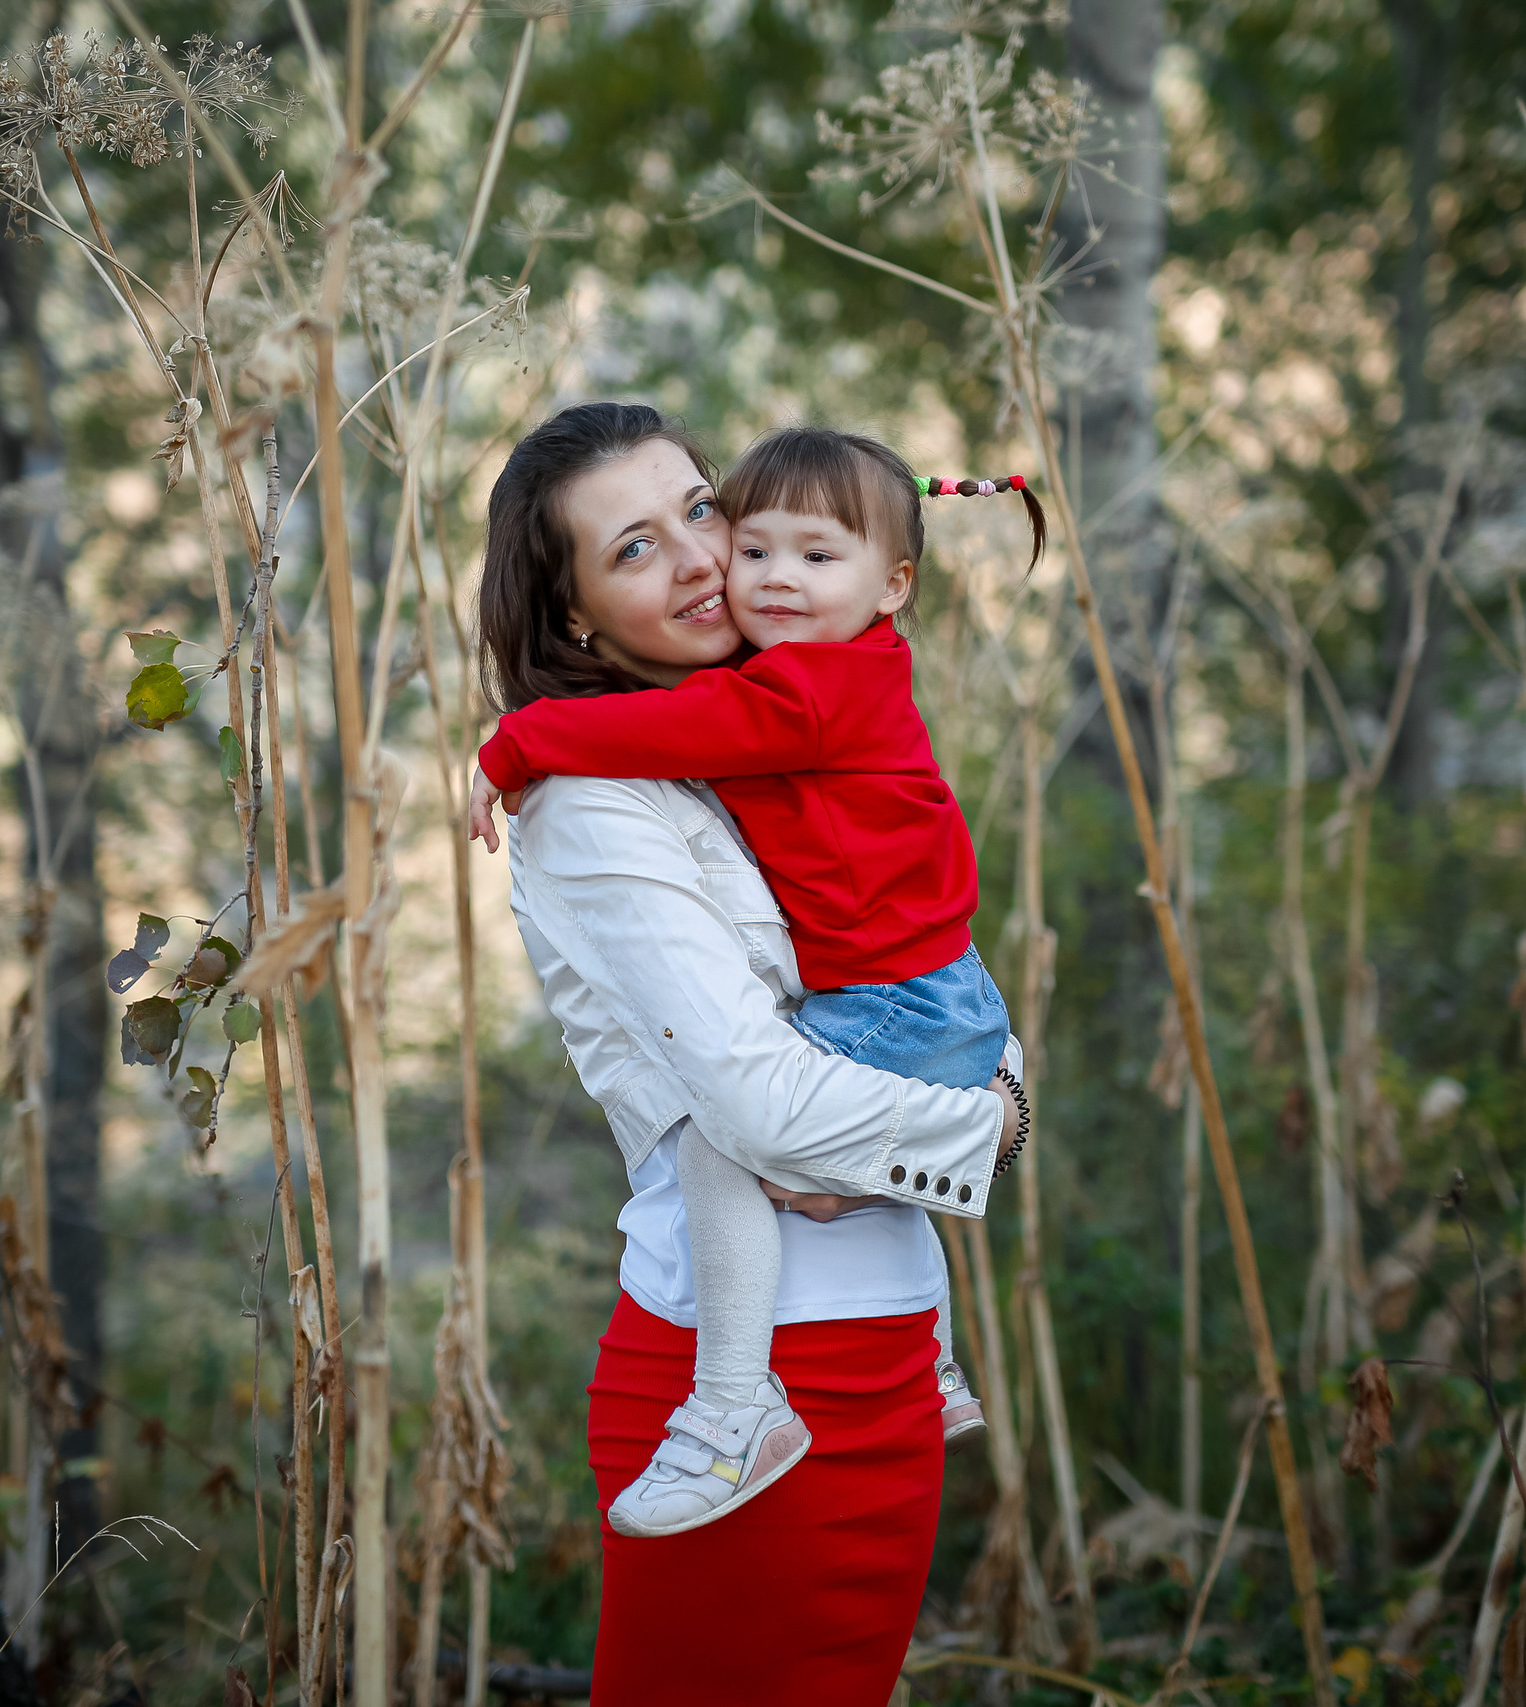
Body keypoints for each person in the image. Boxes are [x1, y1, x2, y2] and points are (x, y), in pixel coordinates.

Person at [464, 402, 1027, 1703]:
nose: (707, 558)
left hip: (881, 1370)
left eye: (702, 508)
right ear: (576, 623)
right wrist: (994, 1118)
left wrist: (996, 1078)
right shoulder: (595, 802)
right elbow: (765, 1114)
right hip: (759, 1380)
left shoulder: (778, 716)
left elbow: (926, 963)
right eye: (637, 549)